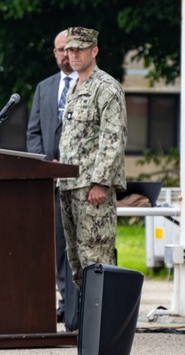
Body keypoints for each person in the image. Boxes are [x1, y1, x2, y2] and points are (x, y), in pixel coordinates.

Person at [58, 27, 127, 289]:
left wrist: (100, 182)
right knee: (77, 262)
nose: (72, 55)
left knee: (96, 260)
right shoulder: (75, 87)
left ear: (94, 51)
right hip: (69, 185)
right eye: (69, 50)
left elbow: (113, 138)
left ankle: (104, 328)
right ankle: (89, 326)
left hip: (91, 189)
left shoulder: (106, 87)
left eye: (79, 49)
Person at [26, 29, 78, 325]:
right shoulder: (45, 88)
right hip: (49, 185)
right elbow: (33, 132)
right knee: (54, 246)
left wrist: (67, 165)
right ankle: (62, 305)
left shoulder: (90, 86)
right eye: (59, 50)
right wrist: (47, 166)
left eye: (69, 49)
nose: (64, 54)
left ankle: (77, 307)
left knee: (74, 247)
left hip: (78, 179)